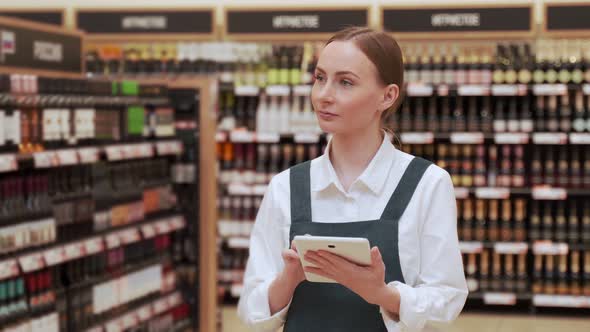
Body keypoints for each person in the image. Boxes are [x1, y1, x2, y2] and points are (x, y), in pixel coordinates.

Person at [237, 26, 468, 332]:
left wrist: (382, 294)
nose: (323, 95)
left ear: (387, 96)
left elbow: (447, 300)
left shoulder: (427, 184)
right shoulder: (285, 187)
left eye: (345, 82)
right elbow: (251, 312)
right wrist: (287, 280)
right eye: (320, 78)